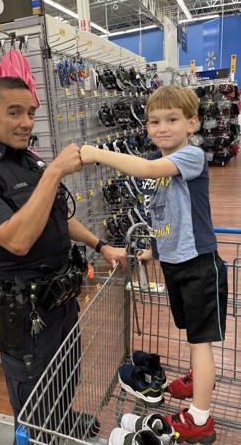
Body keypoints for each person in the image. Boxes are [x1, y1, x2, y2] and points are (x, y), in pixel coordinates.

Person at [0, 76, 126, 441]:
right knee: (33, 401)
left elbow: (59, 214)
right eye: (15, 112)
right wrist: (57, 170)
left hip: (61, 298)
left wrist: (100, 245)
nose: (26, 122)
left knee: (65, 375)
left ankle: (63, 421)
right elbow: (16, 240)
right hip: (25, 314)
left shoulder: (30, 160)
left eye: (30, 113)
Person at [80, 85, 227, 444]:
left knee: (200, 342)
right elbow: (169, 214)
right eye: (154, 121)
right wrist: (154, 250)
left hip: (198, 265)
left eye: (172, 120)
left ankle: (201, 418)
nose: (162, 128)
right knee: (192, 334)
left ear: (192, 123)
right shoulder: (162, 162)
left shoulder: (192, 156)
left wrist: (96, 153)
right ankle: (198, 378)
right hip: (176, 263)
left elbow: (146, 168)